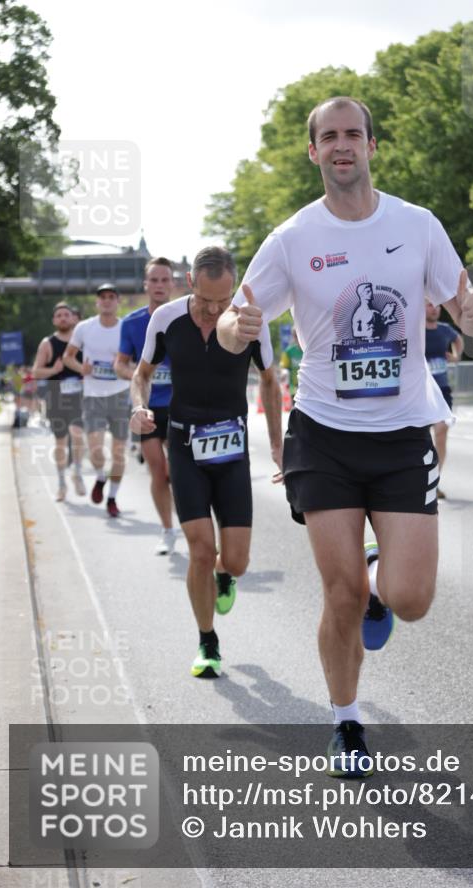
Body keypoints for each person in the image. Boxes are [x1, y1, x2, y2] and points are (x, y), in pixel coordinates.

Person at [217, 96, 473, 775]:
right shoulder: (292, 239)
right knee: (337, 592)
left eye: (353, 134)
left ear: (371, 146)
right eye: (329, 136)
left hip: (402, 434)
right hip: (324, 434)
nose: (342, 145)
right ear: (313, 151)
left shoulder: (417, 224)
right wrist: (234, 328)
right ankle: (346, 720)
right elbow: (232, 319)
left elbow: (461, 302)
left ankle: (377, 581)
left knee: (411, 600)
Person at [129, 246, 283, 680]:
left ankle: (225, 574)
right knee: (200, 548)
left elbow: (269, 382)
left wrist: (278, 446)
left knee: (236, 560)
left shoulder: (249, 321)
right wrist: (139, 407)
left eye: (224, 300)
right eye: (205, 299)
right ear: (190, 283)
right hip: (184, 445)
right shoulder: (167, 319)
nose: (215, 310)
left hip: (231, 449)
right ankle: (207, 640)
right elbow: (142, 375)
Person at [115, 257, 177, 555]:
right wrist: (140, 375)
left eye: (165, 280)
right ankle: (167, 530)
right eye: (154, 280)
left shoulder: (185, 318)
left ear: (173, 284)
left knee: (179, 472)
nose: (159, 285)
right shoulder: (131, 322)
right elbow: (120, 364)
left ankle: (192, 522)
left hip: (181, 405)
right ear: (145, 285)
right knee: (158, 470)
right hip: (148, 407)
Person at [64, 284, 131, 518]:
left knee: (119, 453)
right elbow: (67, 357)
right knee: (95, 451)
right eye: (103, 297)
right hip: (93, 396)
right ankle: (101, 477)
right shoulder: (84, 327)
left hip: (121, 395)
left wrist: (123, 366)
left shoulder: (127, 327)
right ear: (97, 302)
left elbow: (141, 361)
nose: (107, 301)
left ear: (118, 301)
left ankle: (112, 498)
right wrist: (80, 368)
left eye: (112, 297)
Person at [31, 302, 86, 501]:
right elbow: (35, 372)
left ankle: (77, 472)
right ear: (54, 320)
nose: (63, 318)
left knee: (77, 434)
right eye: (59, 315)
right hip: (56, 398)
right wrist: (53, 370)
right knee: (60, 442)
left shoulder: (81, 341)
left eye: (66, 315)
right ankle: (62, 483)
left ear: (73, 318)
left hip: (78, 397)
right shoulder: (47, 343)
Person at [424, 300, 463, 499]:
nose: (435, 309)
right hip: (421, 392)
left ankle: (435, 480)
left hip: (442, 390)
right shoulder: (415, 330)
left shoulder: (444, 329)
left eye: (438, 305)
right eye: (430, 305)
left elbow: (458, 340)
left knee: (441, 431)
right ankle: (420, 479)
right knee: (421, 438)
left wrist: (456, 356)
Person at [280, 328, 303, 399]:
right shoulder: (289, 351)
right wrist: (283, 373)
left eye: (299, 335)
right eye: (295, 336)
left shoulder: (310, 350)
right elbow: (284, 367)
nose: (298, 338)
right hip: (293, 387)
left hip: (307, 386)